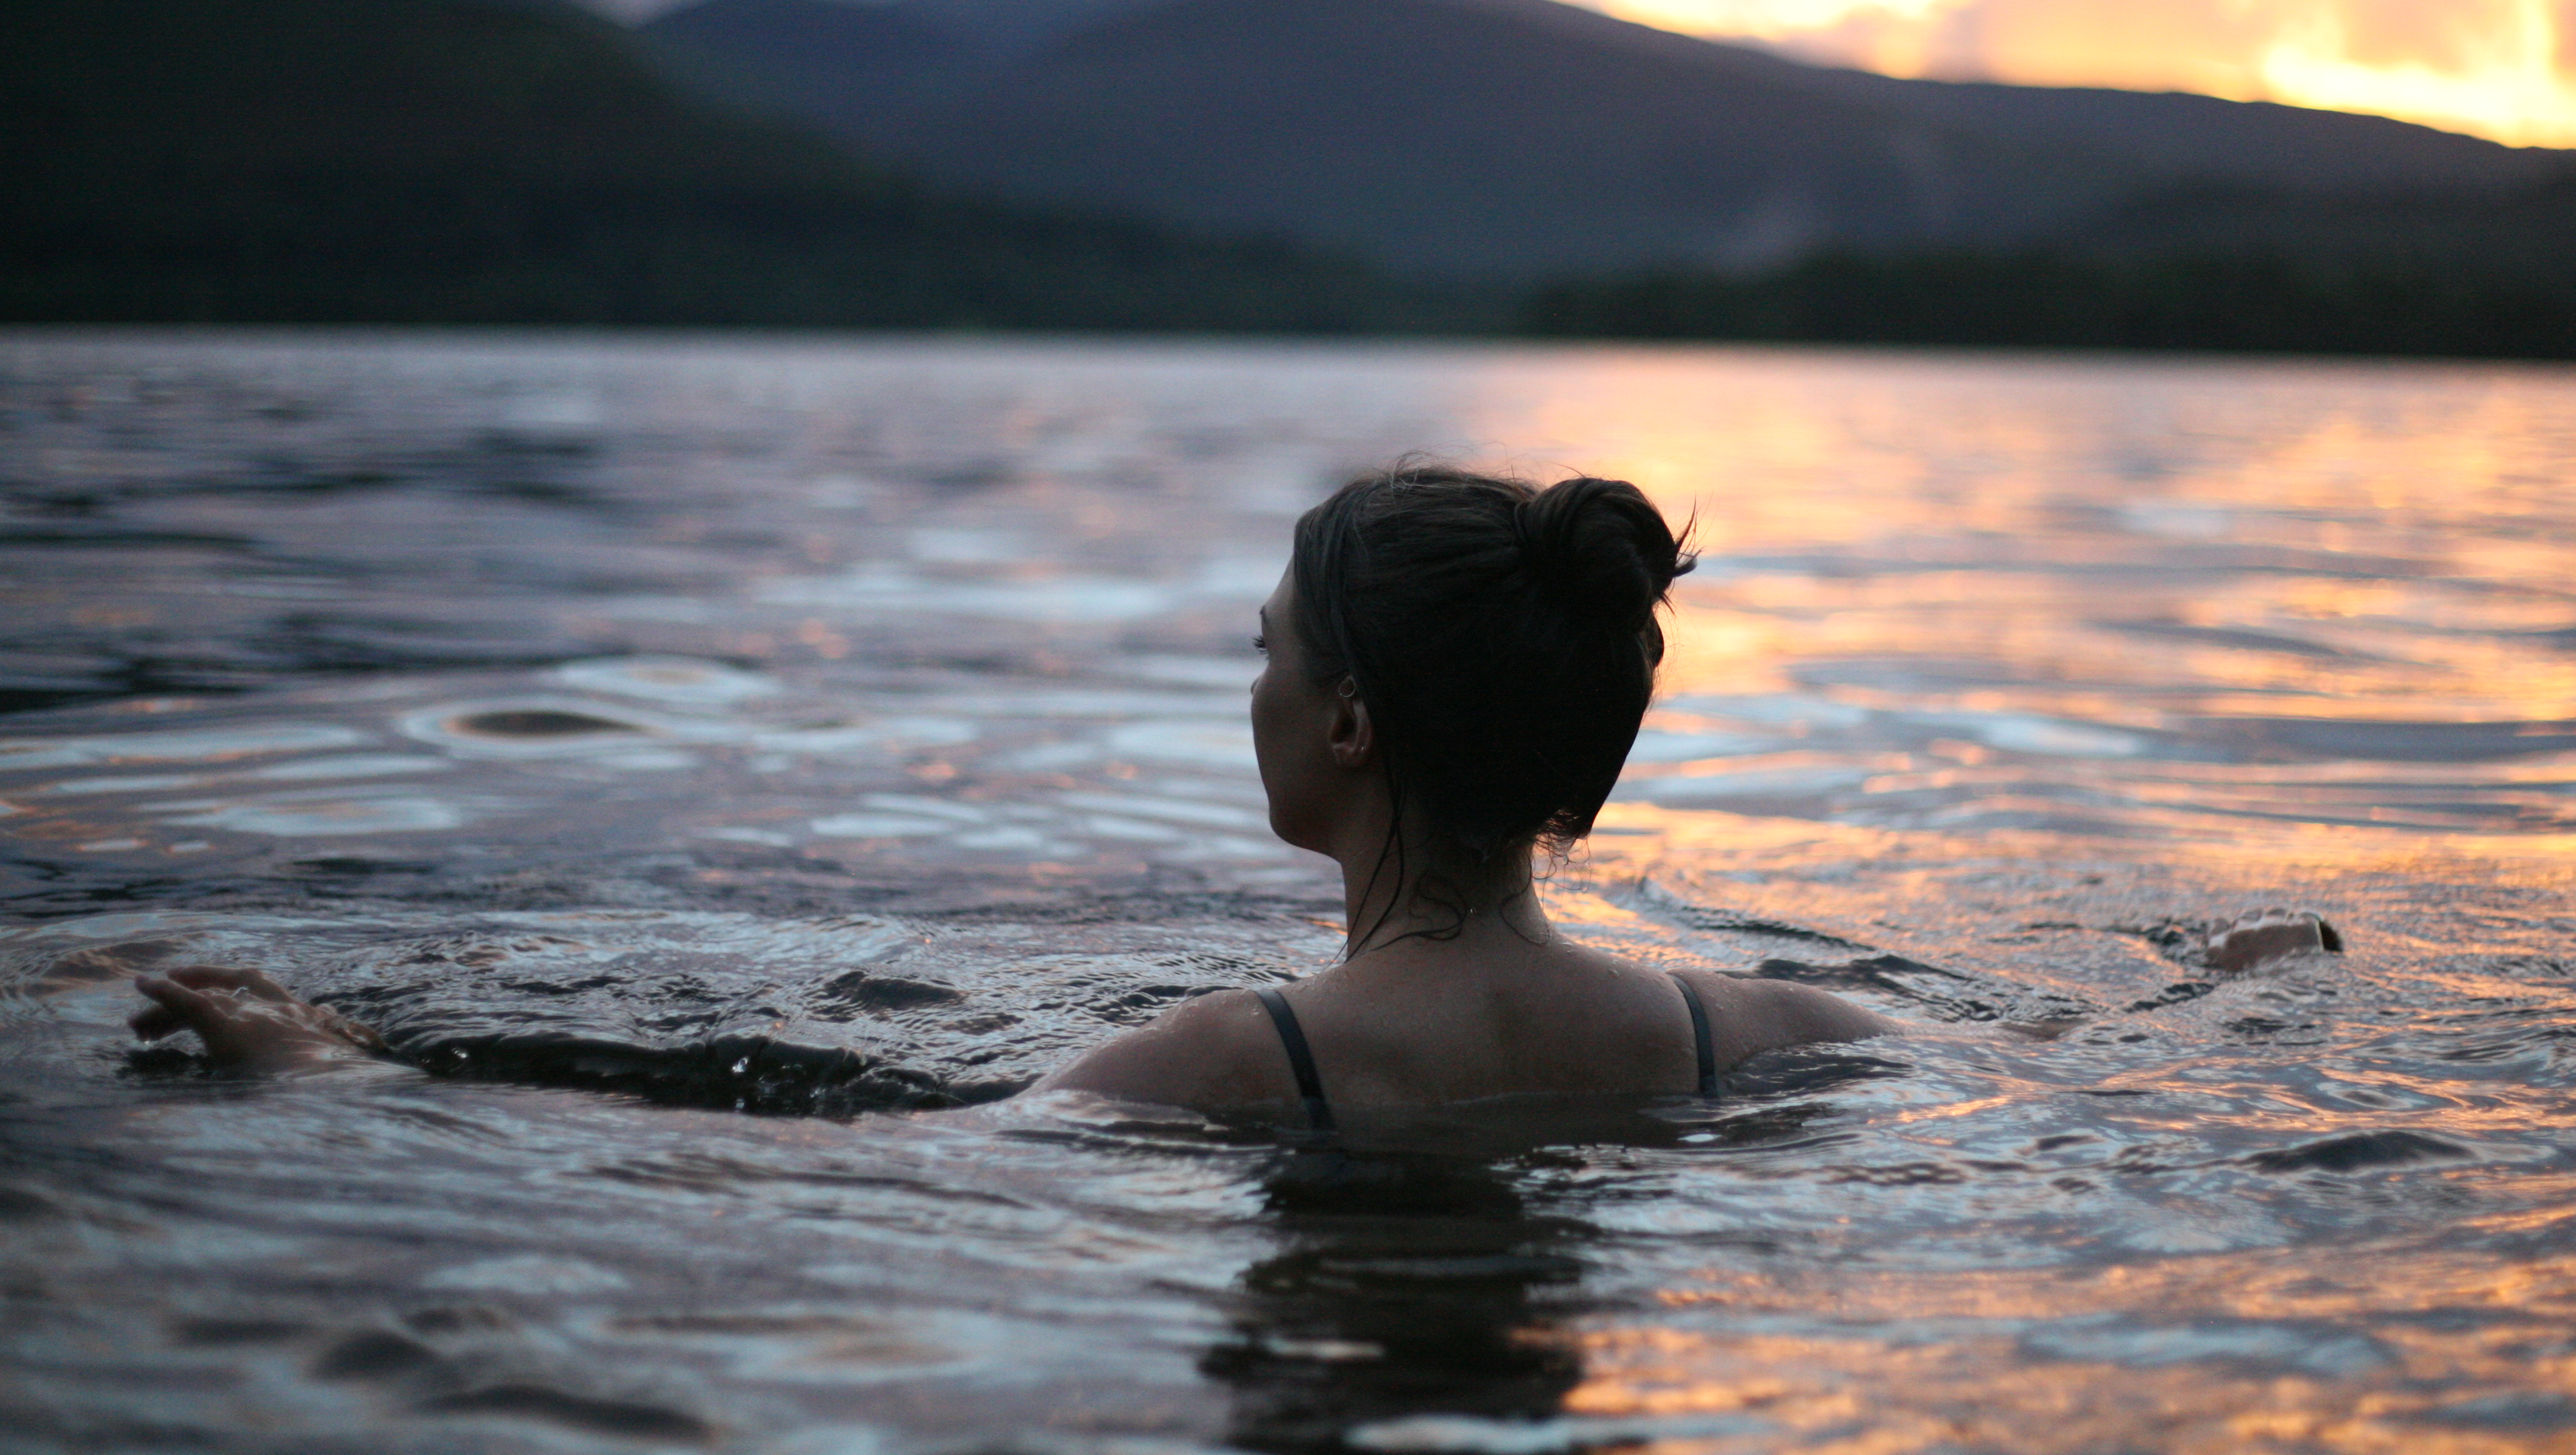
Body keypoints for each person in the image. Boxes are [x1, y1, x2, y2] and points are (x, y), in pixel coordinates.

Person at [130, 464, 1901, 1118]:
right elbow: (2023, 1060)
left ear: (1350, 728)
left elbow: (871, 1167)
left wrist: (328, 1068)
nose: (1252, 683)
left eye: (1267, 648)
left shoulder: (1230, 1061)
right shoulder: (1763, 1030)